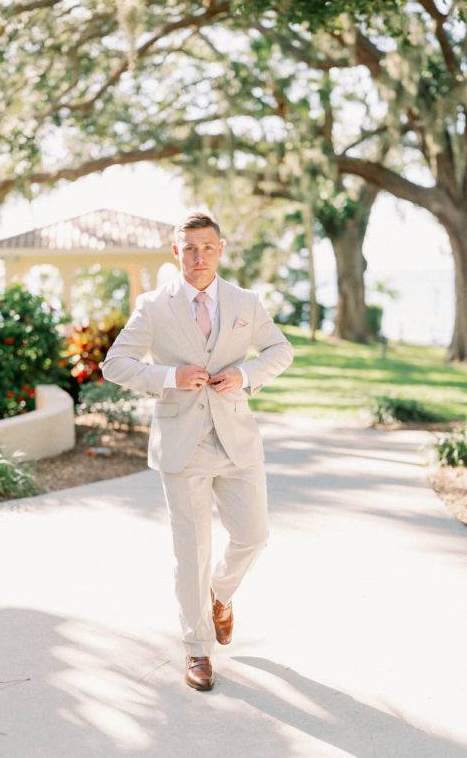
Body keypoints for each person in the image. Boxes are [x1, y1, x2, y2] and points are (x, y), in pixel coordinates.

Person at [101, 211, 294, 691]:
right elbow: (115, 364)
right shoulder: (153, 306)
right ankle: (197, 649)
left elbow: (280, 351)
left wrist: (245, 375)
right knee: (191, 552)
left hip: (236, 439)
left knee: (253, 535)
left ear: (221, 249)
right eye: (189, 248)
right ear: (176, 252)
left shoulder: (246, 302)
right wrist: (170, 376)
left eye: (207, 247)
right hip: (181, 444)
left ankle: (220, 595)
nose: (199, 257)